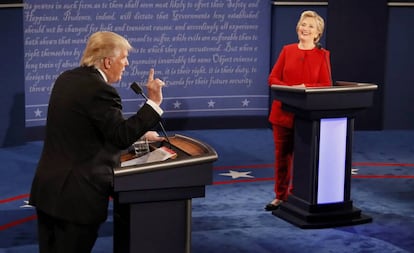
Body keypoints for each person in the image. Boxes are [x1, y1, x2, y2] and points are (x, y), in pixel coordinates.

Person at [29, 31, 166, 253]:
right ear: (108, 61)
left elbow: (84, 131)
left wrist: (140, 136)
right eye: (123, 58)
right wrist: (153, 103)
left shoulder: (67, 79)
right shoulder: (100, 90)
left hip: (49, 190)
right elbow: (119, 136)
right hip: (77, 198)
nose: (126, 64)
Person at [265, 10, 332, 211]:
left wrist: (305, 86)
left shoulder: (323, 55)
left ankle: (300, 195)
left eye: (310, 26)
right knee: (282, 157)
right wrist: (289, 89)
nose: (305, 29)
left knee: (305, 158)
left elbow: (326, 84)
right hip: (282, 113)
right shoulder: (287, 50)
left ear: (317, 33)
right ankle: (280, 196)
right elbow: (273, 78)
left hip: (307, 117)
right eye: (303, 24)